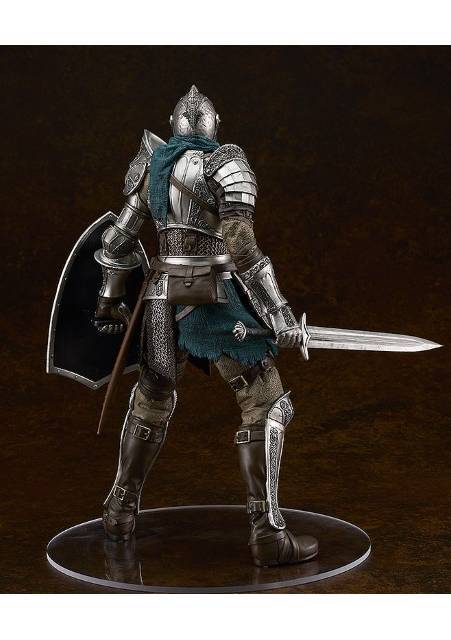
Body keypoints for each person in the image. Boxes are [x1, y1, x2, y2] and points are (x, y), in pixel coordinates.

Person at [94, 85, 318, 568]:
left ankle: (118, 513)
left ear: (172, 125)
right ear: (216, 126)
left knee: (153, 397)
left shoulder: (151, 165)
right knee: (265, 399)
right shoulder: (226, 163)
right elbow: (241, 246)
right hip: (210, 298)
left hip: (158, 299)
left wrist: (108, 300)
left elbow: (117, 241)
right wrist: (280, 314)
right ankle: (267, 535)